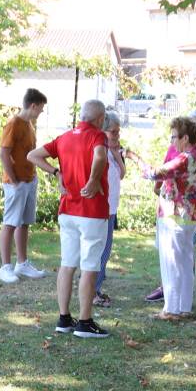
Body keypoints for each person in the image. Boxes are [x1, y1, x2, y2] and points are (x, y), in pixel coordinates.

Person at [27, 98, 110, 338]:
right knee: (90, 266)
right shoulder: (97, 136)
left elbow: (33, 155)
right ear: (100, 118)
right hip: (92, 211)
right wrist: (94, 180)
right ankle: (85, 322)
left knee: (67, 264)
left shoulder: (64, 137)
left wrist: (56, 171)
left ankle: (64, 318)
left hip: (68, 209)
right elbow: (100, 156)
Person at [148, 116, 196, 321]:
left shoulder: (185, 159)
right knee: (184, 263)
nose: (172, 141)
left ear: (185, 138)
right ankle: (184, 307)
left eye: (174, 137)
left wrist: (132, 157)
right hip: (190, 216)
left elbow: (156, 173)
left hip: (175, 216)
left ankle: (171, 309)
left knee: (171, 262)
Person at [0, 89, 48, 284]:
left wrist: (30, 178)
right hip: (16, 183)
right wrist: (15, 180)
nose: (41, 112)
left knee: (24, 222)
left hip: (29, 180)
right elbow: (3, 154)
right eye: (41, 108)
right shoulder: (13, 124)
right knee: (10, 223)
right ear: (33, 105)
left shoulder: (28, 124)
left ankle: (22, 263)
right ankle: (5, 267)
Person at [92, 112, 126, 307]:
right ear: (102, 131)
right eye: (113, 132)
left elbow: (121, 173)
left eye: (118, 132)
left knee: (106, 251)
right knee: (100, 252)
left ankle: (96, 288)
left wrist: (116, 152)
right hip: (101, 209)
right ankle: (93, 291)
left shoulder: (111, 152)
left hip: (111, 209)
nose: (117, 135)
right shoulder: (98, 152)